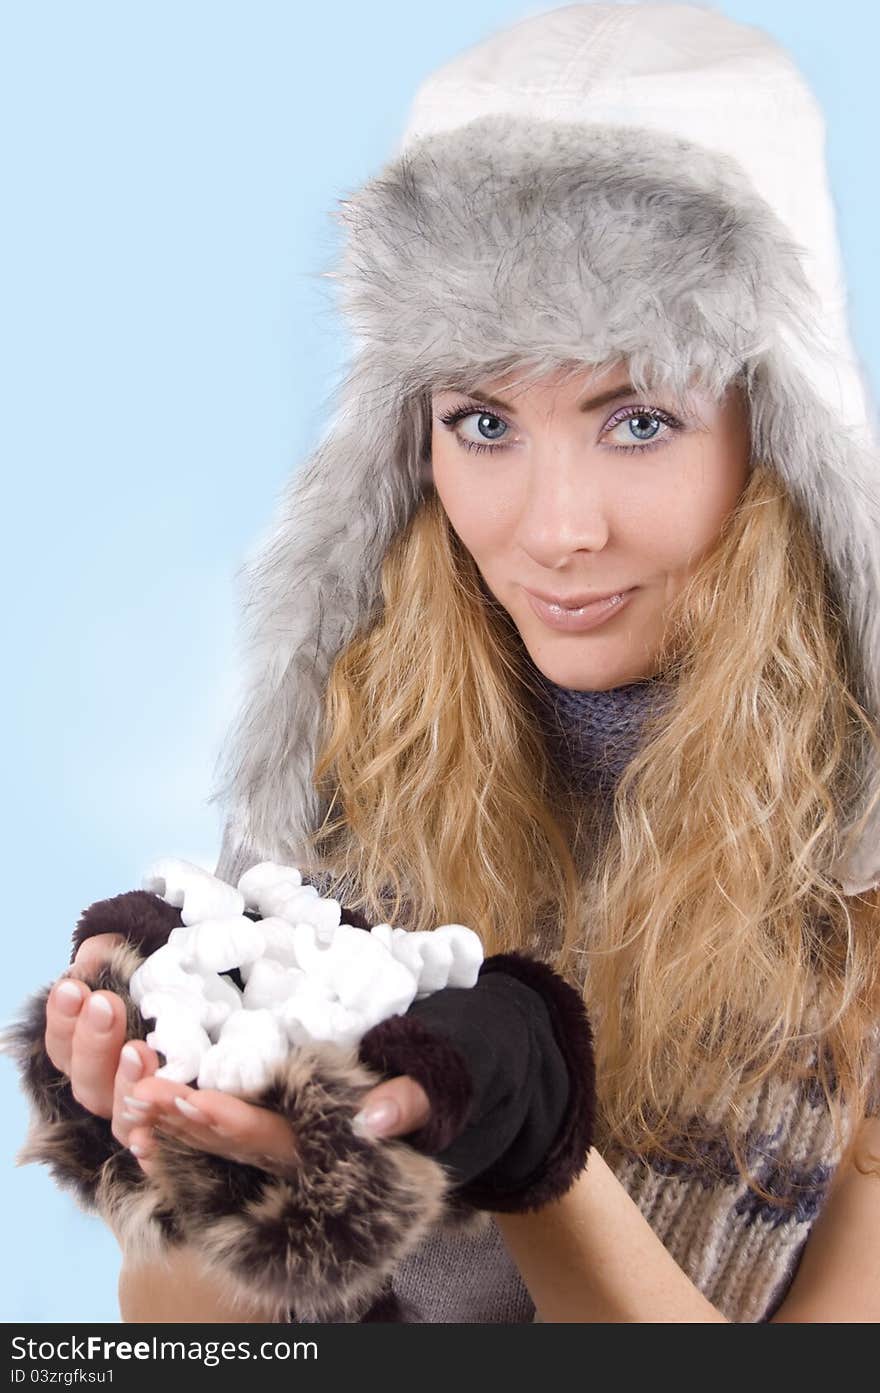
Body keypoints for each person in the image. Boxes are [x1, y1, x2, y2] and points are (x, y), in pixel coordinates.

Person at [16, 2, 880, 1323]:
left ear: (776, 436)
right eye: (483, 418)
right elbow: (197, 1337)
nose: (554, 528)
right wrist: (196, 1142)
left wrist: (536, 1142)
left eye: (636, 419)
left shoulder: (861, 918)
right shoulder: (367, 778)